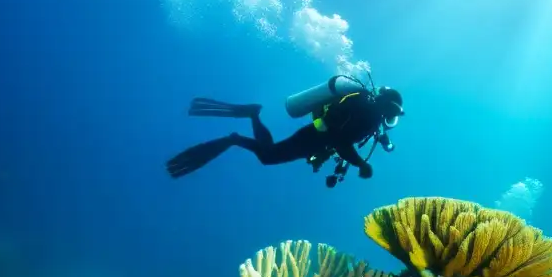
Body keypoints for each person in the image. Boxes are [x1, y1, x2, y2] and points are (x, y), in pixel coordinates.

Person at [165, 86, 404, 182]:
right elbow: (340, 140)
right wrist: (361, 164)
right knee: (269, 156)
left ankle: (248, 121)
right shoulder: (369, 115)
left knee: (269, 155)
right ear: (388, 107)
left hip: (314, 139)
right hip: (312, 138)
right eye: (392, 113)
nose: (389, 118)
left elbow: (339, 139)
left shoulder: (366, 110)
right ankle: (247, 122)